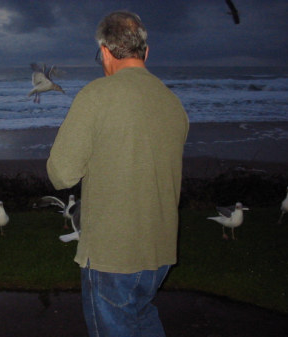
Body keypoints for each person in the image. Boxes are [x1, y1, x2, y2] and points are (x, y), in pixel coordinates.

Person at [47, 10, 189, 337]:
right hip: (160, 251)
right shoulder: (172, 102)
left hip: (113, 255)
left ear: (105, 51)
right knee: (142, 318)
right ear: (146, 53)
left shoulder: (96, 96)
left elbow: (61, 174)